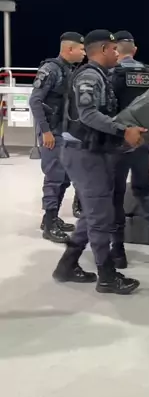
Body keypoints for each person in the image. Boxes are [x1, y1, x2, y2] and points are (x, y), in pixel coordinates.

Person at [52, 30, 146, 293]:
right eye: (114, 49)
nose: (118, 53)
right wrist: (123, 131)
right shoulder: (90, 77)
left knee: (93, 214)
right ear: (104, 49)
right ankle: (106, 276)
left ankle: (67, 266)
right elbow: (88, 114)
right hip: (83, 154)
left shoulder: (101, 75)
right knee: (101, 216)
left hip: (93, 152)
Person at [110, 30, 149, 269]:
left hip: (118, 143)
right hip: (143, 142)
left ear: (115, 50)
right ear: (134, 50)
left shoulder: (112, 74)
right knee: (145, 189)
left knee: (115, 195)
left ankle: (118, 251)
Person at [29, 32, 85, 243]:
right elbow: (35, 101)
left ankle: (51, 219)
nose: (84, 53)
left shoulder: (69, 70)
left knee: (64, 178)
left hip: (64, 132)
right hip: (51, 133)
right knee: (54, 178)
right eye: (81, 49)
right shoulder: (51, 69)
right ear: (69, 49)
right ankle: (49, 224)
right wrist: (46, 132)